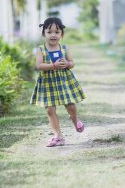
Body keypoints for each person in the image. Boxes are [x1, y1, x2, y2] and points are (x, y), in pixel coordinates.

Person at [30, 17, 86, 147]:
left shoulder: (64, 48)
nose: (53, 35)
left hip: (63, 81)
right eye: (49, 32)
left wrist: (67, 63)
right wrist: (53, 66)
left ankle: (75, 119)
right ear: (44, 33)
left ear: (62, 34)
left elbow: (72, 63)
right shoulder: (40, 49)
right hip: (47, 83)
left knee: (70, 105)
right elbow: (39, 65)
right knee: (50, 110)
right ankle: (58, 136)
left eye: (57, 32)